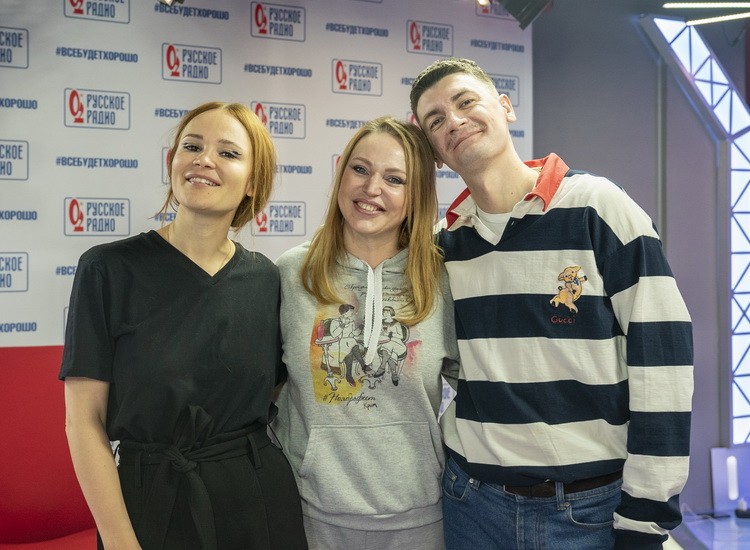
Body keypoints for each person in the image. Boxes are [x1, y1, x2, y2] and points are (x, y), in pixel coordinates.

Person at [410, 58, 694, 549]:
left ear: (505, 107)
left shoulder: (597, 207)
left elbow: (663, 358)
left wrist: (647, 515)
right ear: (434, 152)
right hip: (470, 505)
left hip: (589, 512)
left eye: (465, 102)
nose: (453, 121)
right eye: (435, 120)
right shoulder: (442, 246)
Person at [59, 101, 307, 550]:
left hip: (259, 501)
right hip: (149, 503)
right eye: (192, 146)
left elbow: (273, 392)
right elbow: (83, 422)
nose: (204, 160)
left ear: (253, 182)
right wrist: (120, 542)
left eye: (228, 153)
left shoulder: (267, 279)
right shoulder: (107, 269)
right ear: (172, 162)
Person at [272, 116, 460, 549]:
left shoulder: (442, 279)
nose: (371, 188)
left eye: (394, 179)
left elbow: (475, 388)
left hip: (420, 516)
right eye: (360, 169)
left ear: (416, 195)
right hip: (309, 511)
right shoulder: (291, 273)